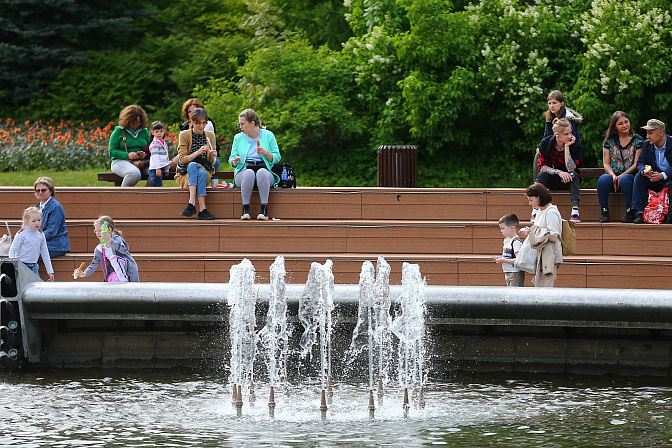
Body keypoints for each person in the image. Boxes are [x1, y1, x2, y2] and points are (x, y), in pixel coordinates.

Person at [229, 109, 281, 220]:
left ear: (252, 123)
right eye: (239, 124)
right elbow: (232, 159)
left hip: (265, 172)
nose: (240, 127)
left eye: (243, 124)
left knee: (262, 172)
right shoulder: (238, 138)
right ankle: (245, 209)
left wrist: (266, 153)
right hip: (244, 172)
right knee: (248, 173)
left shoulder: (268, 135)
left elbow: (277, 157)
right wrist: (235, 161)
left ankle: (264, 210)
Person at [598, 112, 643, 222]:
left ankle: (630, 211)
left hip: (630, 175)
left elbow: (636, 164)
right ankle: (604, 211)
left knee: (625, 179)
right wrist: (613, 176)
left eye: (626, 122)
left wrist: (621, 176)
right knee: (603, 179)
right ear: (614, 126)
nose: (625, 126)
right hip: (613, 174)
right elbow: (606, 164)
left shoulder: (637, 140)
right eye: (620, 124)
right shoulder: (609, 141)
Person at [535, 118, 582, 222]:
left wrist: (567, 147)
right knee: (542, 175)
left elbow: (571, 168)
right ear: (556, 134)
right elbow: (542, 167)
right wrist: (559, 172)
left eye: (570, 133)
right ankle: (535, 208)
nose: (570, 136)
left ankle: (575, 211)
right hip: (551, 178)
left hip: (567, 180)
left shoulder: (575, 144)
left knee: (573, 174)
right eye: (566, 134)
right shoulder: (546, 143)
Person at [175, 108, 217, 220]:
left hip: (204, 168)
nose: (201, 126)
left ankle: (191, 204)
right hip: (186, 173)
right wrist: (197, 152)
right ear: (192, 122)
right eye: (198, 123)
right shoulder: (184, 135)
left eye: (204, 123)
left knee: (202, 172)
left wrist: (213, 156)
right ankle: (202, 209)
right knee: (195, 167)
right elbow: (183, 159)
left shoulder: (210, 136)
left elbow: (211, 163)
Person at [627, 119, 672, 224]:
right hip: (655, 178)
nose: (647, 136)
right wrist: (644, 171)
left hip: (669, 178)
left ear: (661, 132)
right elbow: (640, 163)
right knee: (639, 177)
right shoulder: (647, 144)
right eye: (647, 133)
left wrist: (663, 175)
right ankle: (639, 212)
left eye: (650, 133)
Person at [519, 183, 562, 287]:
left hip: (549, 254)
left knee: (545, 287)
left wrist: (532, 232)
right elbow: (540, 232)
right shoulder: (540, 211)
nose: (530, 203)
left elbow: (553, 237)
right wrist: (529, 233)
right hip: (540, 254)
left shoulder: (551, 212)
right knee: (539, 285)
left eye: (531, 200)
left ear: (539, 197)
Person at [534, 90, 583, 180]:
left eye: (554, 103)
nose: (551, 106)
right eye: (549, 103)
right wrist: (541, 147)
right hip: (553, 148)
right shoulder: (550, 117)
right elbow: (546, 137)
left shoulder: (569, 119)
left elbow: (572, 139)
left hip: (569, 150)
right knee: (539, 153)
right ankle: (537, 184)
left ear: (562, 103)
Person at [74, 216, 139, 282]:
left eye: (100, 230)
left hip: (128, 273)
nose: (98, 233)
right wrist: (85, 273)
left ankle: (123, 279)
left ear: (109, 230)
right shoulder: (99, 249)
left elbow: (124, 250)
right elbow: (94, 264)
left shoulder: (116, 239)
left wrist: (110, 241)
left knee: (113, 258)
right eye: (95, 231)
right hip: (114, 277)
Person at [108, 105, 151, 187]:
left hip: (141, 162)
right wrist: (128, 155)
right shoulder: (118, 131)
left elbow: (150, 148)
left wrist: (145, 154)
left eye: (138, 122)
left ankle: (149, 196)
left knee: (155, 172)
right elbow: (111, 151)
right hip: (120, 161)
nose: (136, 125)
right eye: (133, 123)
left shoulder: (144, 131)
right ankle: (122, 196)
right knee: (134, 173)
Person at [9, 207, 54, 281]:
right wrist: (14, 267)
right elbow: (12, 250)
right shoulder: (21, 234)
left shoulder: (41, 234)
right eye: (33, 221)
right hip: (22, 266)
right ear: (26, 221)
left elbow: (45, 253)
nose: (37, 223)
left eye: (39, 220)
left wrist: (50, 271)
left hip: (34, 267)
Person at [34, 176, 70, 258]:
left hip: (57, 245)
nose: (40, 192)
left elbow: (51, 231)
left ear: (50, 191)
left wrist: (34, 239)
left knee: (27, 254)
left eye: (43, 190)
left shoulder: (55, 207)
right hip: (45, 243)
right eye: (37, 190)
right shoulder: (38, 208)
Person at [494, 213, 525, 287]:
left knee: (514, 296)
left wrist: (503, 260)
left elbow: (518, 260)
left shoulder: (516, 242)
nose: (501, 231)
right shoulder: (507, 240)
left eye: (503, 228)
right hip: (508, 272)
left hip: (514, 273)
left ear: (512, 228)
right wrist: (501, 258)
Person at [148, 121, 171, 187]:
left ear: (164, 132)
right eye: (157, 132)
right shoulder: (154, 144)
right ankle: (157, 197)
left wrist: (166, 169)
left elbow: (166, 156)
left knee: (159, 184)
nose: (159, 133)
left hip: (161, 166)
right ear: (153, 133)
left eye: (161, 131)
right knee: (157, 185)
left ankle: (158, 196)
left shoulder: (163, 143)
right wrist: (158, 168)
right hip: (156, 168)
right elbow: (155, 157)